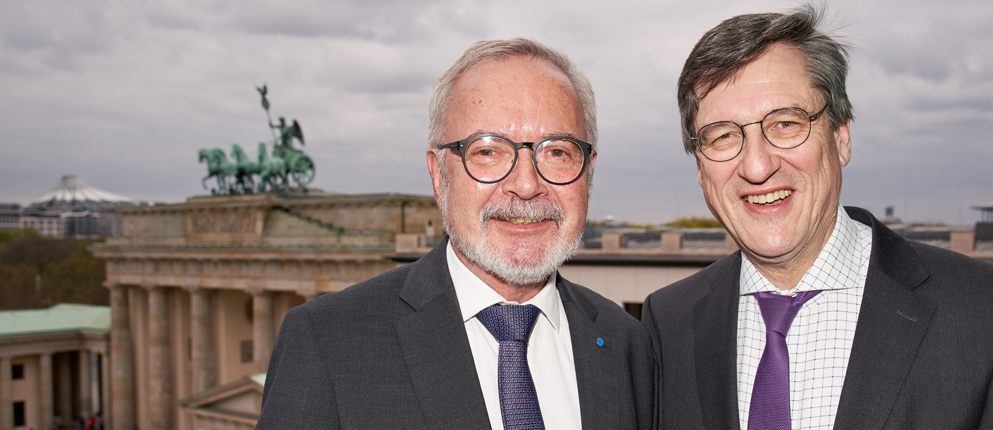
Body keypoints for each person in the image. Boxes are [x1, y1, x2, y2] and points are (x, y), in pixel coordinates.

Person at [257, 38, 655, 429]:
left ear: (588, 170)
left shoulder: (627, 344)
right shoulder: (330, 342)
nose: (527, 184)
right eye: (487, 151)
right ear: (438, 173)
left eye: (557, 151)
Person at [642, 5, 993, 430]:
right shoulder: (667, 323)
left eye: (786, 124)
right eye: (723, 136)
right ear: (700, 169)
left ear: (841, 136)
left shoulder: (978, 310)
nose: (756, 166)